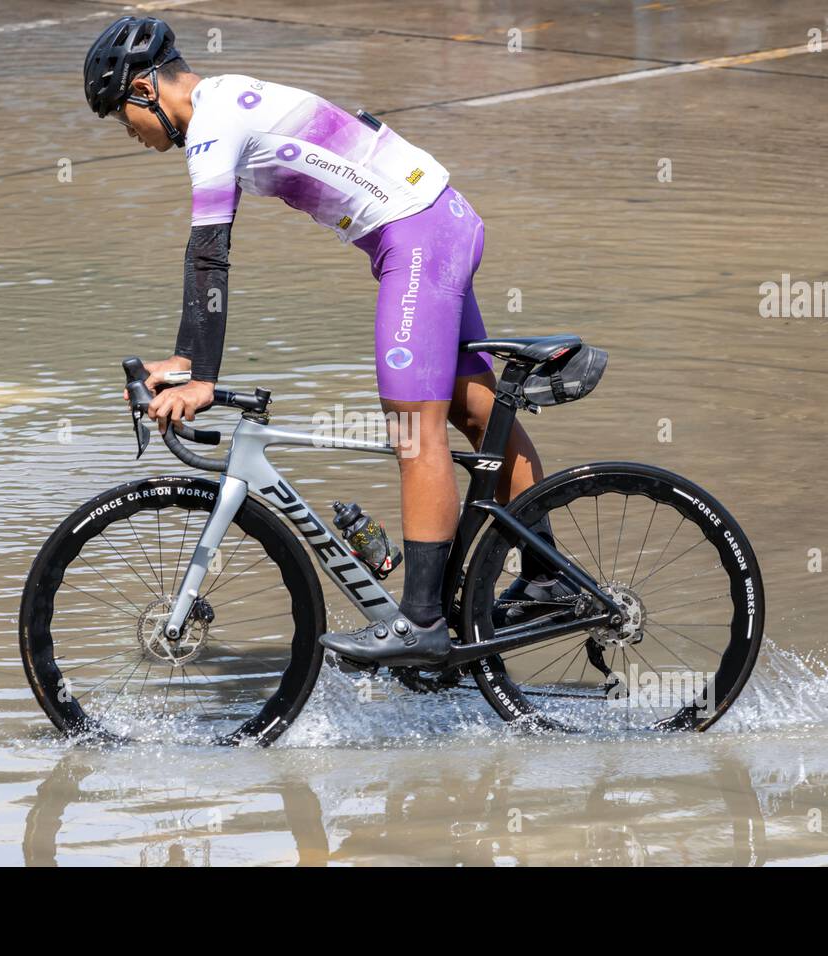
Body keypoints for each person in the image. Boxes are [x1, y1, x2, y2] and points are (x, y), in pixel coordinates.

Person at [84, 16, 568, 667]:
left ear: (143, 88)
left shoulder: (211, 127)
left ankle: (422, 623)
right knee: (473, 408)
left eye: (122, 117)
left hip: (416, 239)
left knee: (413, 428)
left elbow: (209, 255)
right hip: (441, 220)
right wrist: (189, 360)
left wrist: (198, 373)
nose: (131, 134)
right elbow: (209, 260)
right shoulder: (225, 98)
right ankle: (549, 577)